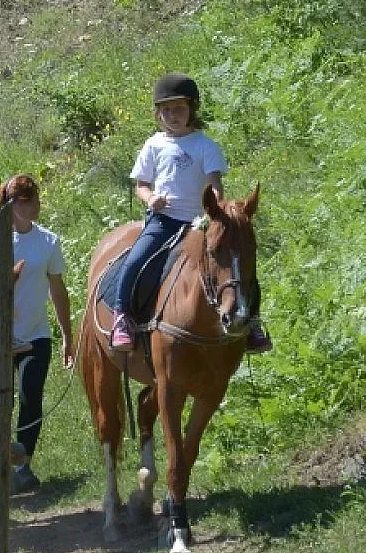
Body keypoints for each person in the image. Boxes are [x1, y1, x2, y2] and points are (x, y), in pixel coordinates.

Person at [110, 72, 272, 353]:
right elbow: (141, 185)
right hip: (164, 220)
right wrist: (151, 198)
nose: (173, 115)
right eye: (167, 110)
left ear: (191, 110)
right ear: (158, 114)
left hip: (199, 222)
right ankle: (122, 316)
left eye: (179, 109)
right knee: (135, 260)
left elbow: (215, 184)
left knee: (238, 263)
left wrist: (216, 206)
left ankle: (252, 321)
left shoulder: (205, 145)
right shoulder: (154, 145)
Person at [0, 175, 74, 494]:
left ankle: (22, 464)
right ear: (11, 205)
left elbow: (58, 290)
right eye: (28, 201)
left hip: (36, 334)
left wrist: (67, 336)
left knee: (30, 396)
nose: (35, 206)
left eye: (36, 199)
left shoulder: (48, 242)